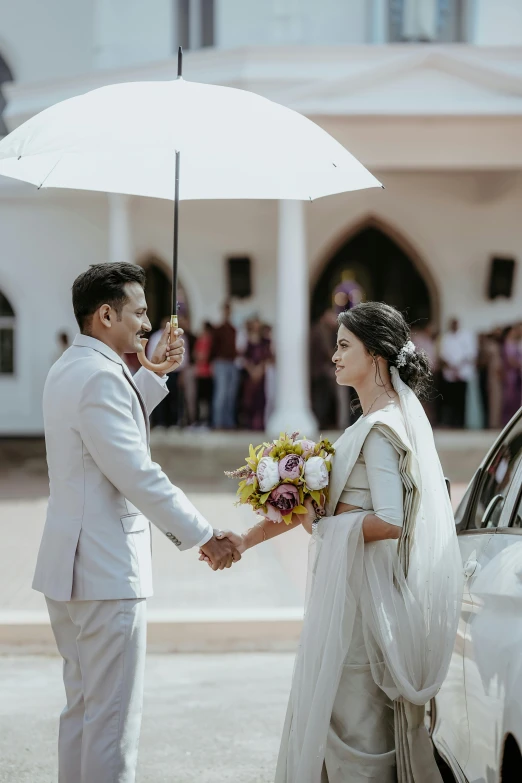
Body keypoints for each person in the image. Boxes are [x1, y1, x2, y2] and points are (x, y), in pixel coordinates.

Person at [209, 302, 462, 782]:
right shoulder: (366, 425)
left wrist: (327, 526)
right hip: (350, 596)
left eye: (345, 346)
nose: (334, 357)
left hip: (366, 609)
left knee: (356, 726)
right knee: (335, 718)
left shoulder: (383, 429)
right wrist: (245, 539)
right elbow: (320, 506)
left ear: (377, 356)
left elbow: (390, 521)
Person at [32, 263, 240, 783]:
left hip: (70, 568)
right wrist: (203, 534)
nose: (149, 323)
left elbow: (104, 435)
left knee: (82, 712)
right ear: (106, 315)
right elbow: (135, 472)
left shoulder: (71, 368)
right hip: (104, 572)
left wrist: (151, 376)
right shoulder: (100, 377)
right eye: (140, 311)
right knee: (112, 725)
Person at [439, 317, 477, 428]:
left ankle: (462, 422)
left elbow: (471, 354)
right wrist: (451, 366)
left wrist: (459, 366)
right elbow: (443, 354)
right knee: (451, 399)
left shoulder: (466, 336)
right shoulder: (446, 338)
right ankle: (452, 422)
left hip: (462, 373)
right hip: (450, 374)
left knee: (462, 400)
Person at [211, 302, 239, 429]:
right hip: (221, 363)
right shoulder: (218, 329)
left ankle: (228, 421)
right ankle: (218, 422)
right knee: (221, 393)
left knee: (230, 394)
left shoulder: (233, 329)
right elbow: (213, 348)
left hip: (231, 363)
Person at [241, 317, 272, 430]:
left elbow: (267, 357)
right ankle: (249, 423)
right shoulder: (248, 341)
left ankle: (260, 424)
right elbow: (244, 358)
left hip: (261, 373)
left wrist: (260, 369)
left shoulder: (265, 341)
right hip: (250, 374)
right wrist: (251, 370)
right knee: (250, 399)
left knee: (261, 399)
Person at [310, 309, 338, 429]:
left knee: (322, 398)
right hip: (319, 372)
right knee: (321, 399)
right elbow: (327, 351)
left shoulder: (322, 330)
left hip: (318, 371)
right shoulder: (320, 331)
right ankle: (320, 423)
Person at [194, 321, 214, 427]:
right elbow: (196, 354)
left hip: (207, 373)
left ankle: (207, 420)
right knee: (200, 399)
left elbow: (204, 356)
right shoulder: (200, 340)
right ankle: (201, 419)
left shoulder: (210, 341)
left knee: (207, 399)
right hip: (200, 373)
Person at [501, 324, 522, 426]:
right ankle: (507, 423)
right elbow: (510, 360)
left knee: (516, 400)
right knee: (510, 399)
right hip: (511, 375)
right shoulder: (508, 344)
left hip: (517, 375)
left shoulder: (515, 343)